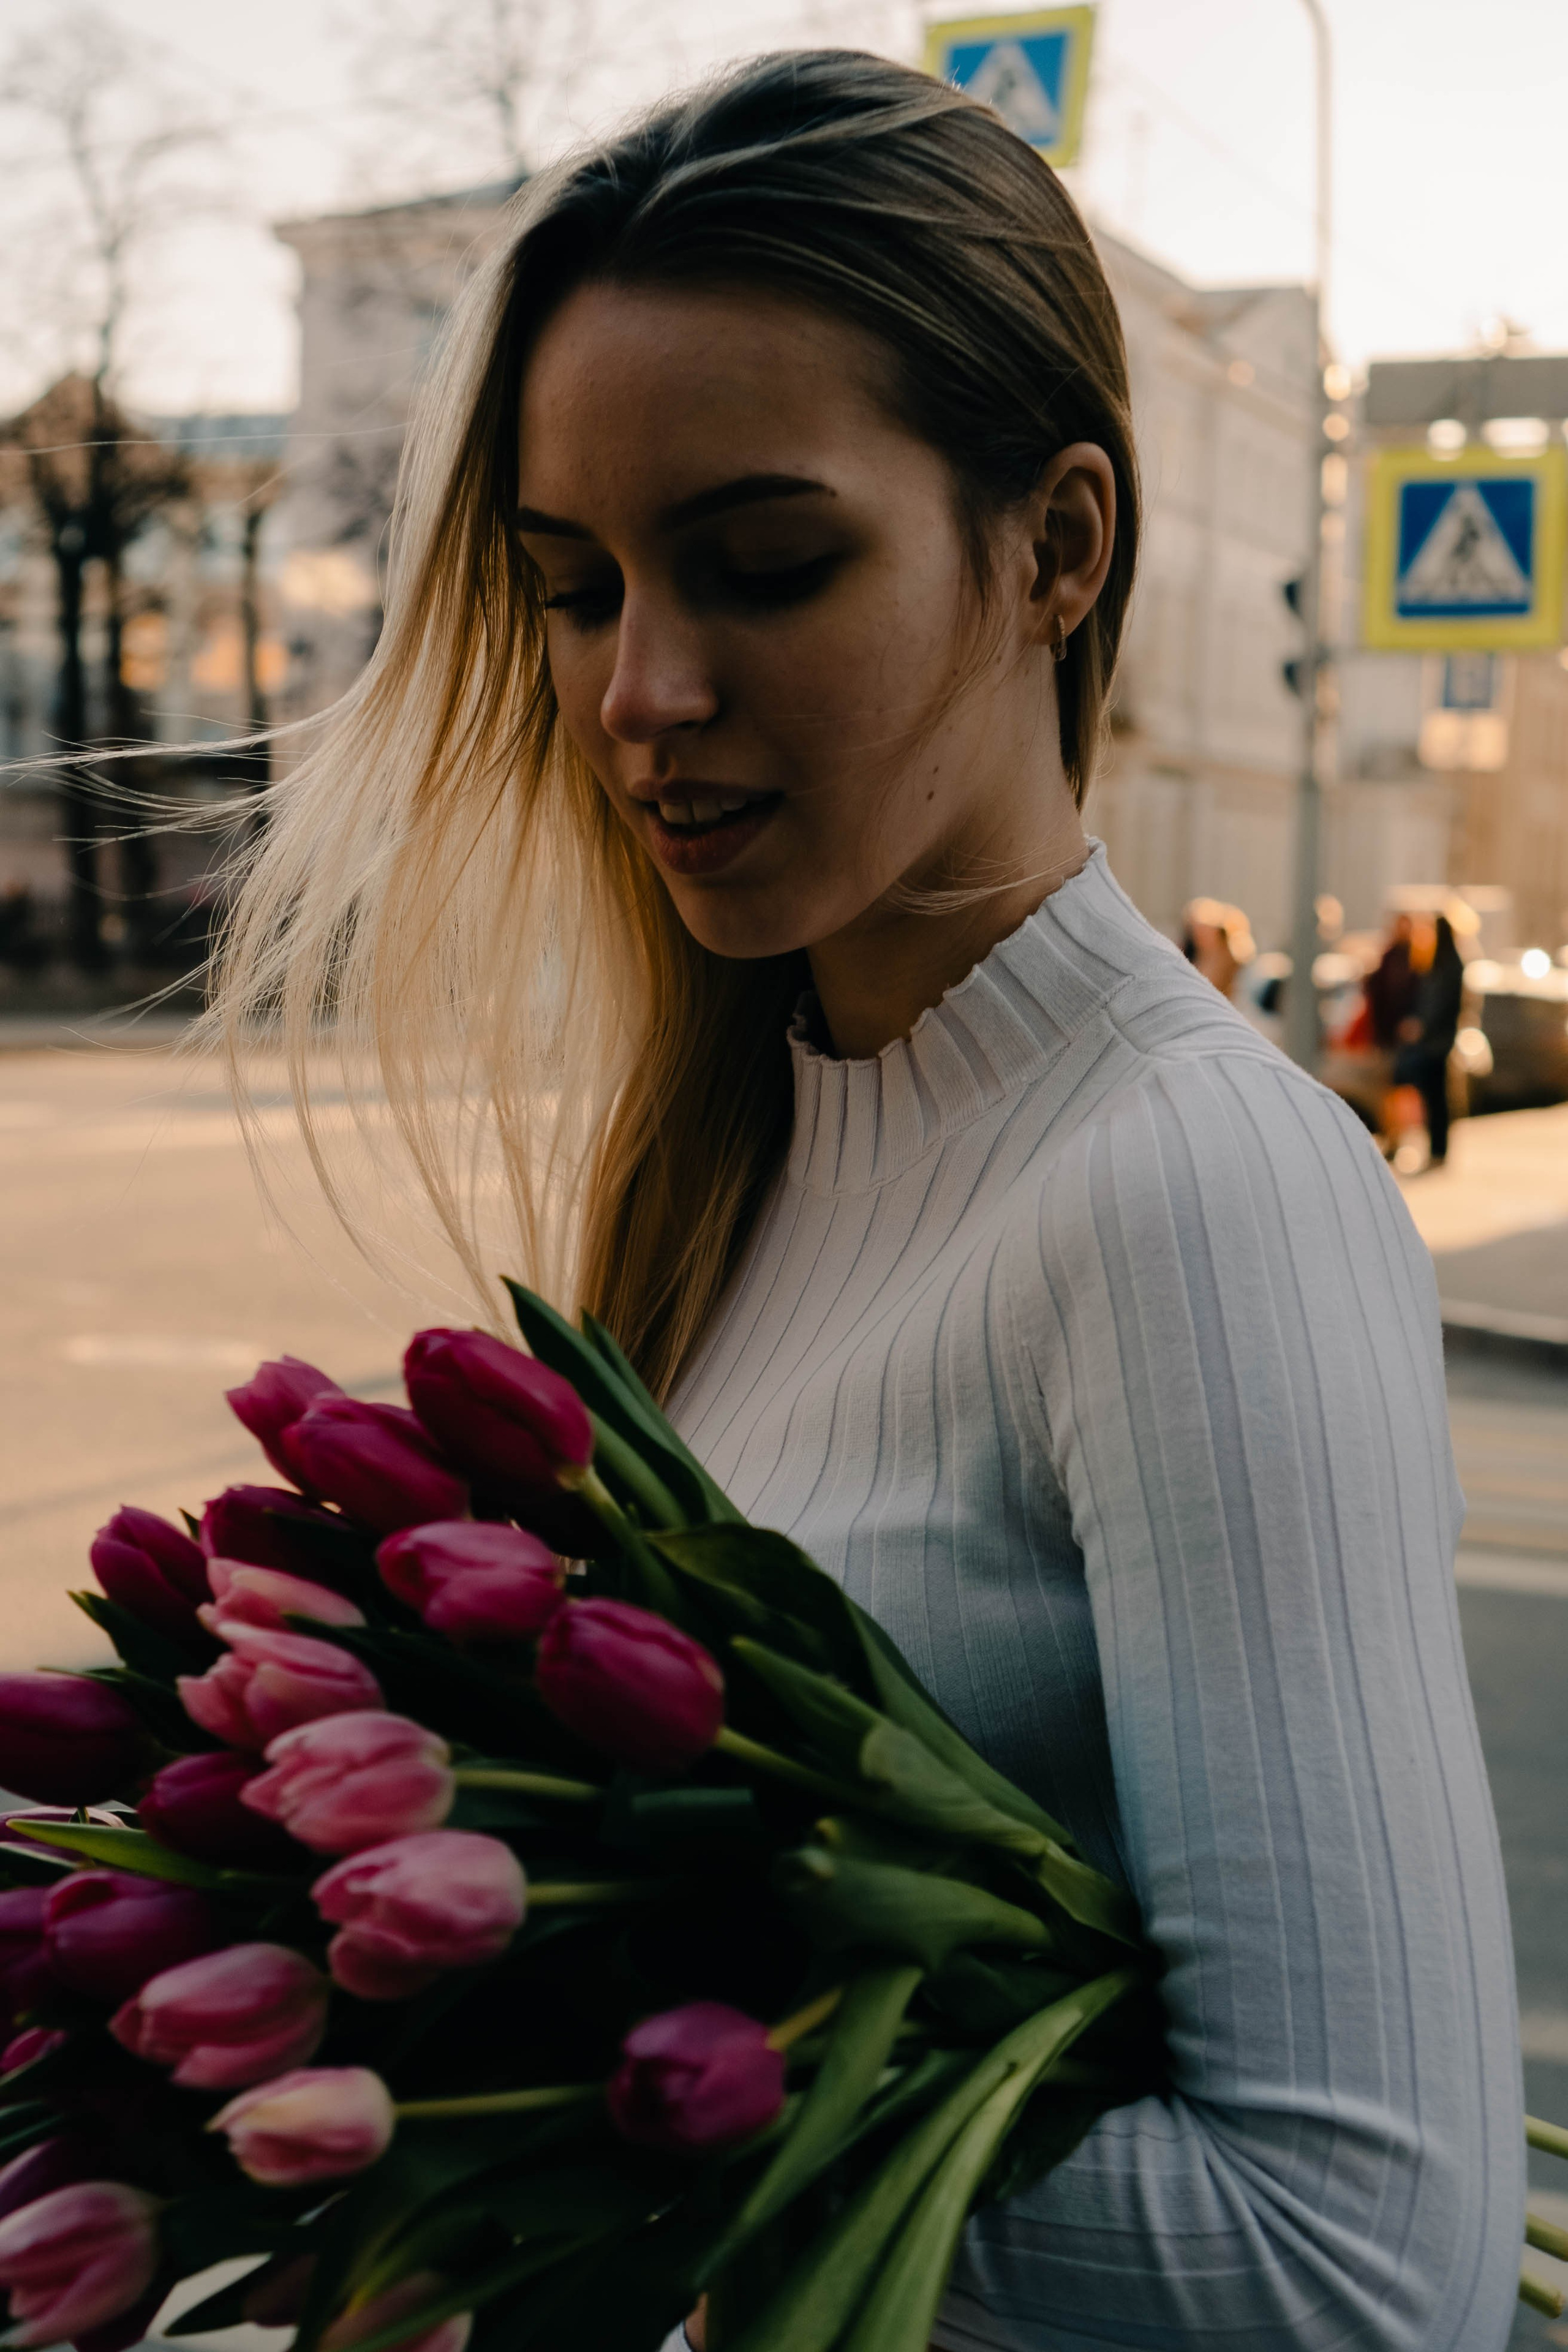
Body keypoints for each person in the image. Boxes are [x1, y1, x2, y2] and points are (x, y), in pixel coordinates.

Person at [212, 52, 1522, 2351]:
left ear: (1060, 546)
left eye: (765, 563)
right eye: (570, 584)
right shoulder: (741, 1147)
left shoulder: (1194, 1192)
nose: (638, 689)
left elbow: (1353, 2272)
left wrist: (538, 2122)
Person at [1392, 912, 1466, 1167]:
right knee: (1434, 1097)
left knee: (1436, 1098)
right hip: (1439, 1042)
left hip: (1436, 1043)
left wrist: (1422, 1027)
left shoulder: (1447, 966)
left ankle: (1438, 1148)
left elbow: (1438, 1005)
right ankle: (1436, 1148)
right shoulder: (1444, 963)